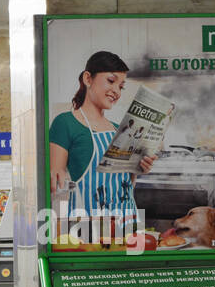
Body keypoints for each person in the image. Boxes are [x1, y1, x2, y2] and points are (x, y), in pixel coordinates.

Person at [48, 51, 155, 238]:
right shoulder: (65, 123)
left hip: (128, 228)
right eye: (111, 81)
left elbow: (124, 187)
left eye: (121, 86)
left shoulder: (118, 130)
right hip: (89, 233)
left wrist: (139, 168)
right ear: (88, 79)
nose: (116, 91)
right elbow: (56, 187)